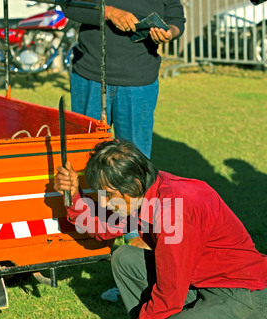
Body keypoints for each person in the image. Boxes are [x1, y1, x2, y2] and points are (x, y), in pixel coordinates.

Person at [54, 140, 267, 319]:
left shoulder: (174, 213)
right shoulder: (146, 190)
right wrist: (72, 194)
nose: (103, 203)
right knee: (124, 258)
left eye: (108, 195)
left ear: (134, 184)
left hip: (243, 297)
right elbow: (104, 229)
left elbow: (169, 297)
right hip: (201, 284)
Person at [62, 1, 185, 247]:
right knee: (86, 158)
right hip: (91, 75)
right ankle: (87, 229)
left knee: (136, 161)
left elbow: (175, 15)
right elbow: (69, 5)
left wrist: (169, 31)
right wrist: (108, 12)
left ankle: (136, 235)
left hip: (139, 79)